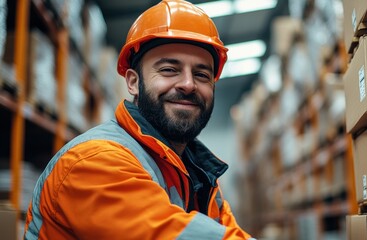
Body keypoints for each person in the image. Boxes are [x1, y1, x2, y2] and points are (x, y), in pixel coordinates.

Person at [23, 0, 254, 239]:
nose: (188, 84)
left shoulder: (199, 176)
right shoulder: (94, 161)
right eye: (168, 69)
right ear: (133, 82)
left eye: (201, 74)